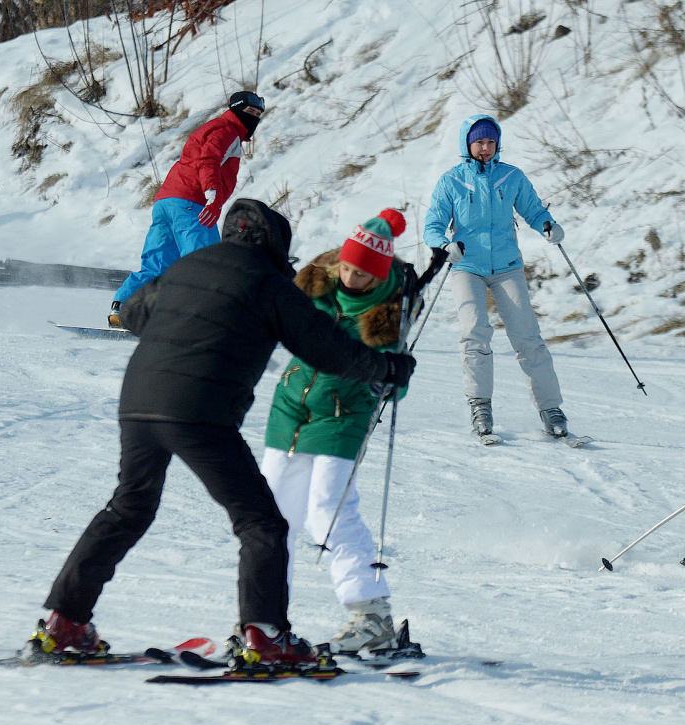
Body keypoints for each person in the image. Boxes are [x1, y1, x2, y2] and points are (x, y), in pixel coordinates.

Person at [34, 199, 417, 667]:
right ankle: (266, 636)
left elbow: (134, 312)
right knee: (262, 522)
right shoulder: (269, 284)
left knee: (127, 508)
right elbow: (331, 351)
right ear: (275, 244)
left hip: (137, 403)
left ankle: (66, 622)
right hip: (199, 411)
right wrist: (390, 367)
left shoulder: (190, 264)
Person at [260, 209, 416, 654]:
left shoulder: (388, 313)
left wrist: (388, 382)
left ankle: (371, 613)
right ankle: (264, 616)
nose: (350, 278)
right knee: (270, 516)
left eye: (362, 273)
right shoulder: (314, 284)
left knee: (328, 511)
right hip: (289, 408)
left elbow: (393, 382)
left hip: (343, 414)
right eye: (346, 267)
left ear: (380, 274)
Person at [423, 114, 571, 443]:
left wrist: (547, 224)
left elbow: (533, 209)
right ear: (467, 145)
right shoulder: (452, 181)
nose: (486, 148)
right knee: (475, 332)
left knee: (528, 336)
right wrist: (444, 245)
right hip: (467, 266)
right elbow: (432, 224)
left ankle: (551, 409)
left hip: (507, 265)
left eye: (491, 142)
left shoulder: (511, 177)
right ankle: (480, 406)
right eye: (480, 142)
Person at [108, 91, 266, 327]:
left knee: (157, 264)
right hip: (194, 203)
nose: (254, 118)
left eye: (257, 114)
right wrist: (211, 193)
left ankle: (123, 308)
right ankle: (201, 318)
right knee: (204, 263)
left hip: (167, 201)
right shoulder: (227, 130)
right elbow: (208, 159)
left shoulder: (216, 128)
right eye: (249, 112)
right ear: (235, 110)